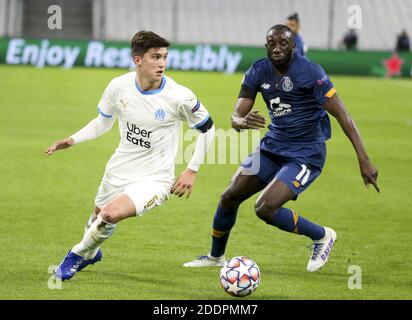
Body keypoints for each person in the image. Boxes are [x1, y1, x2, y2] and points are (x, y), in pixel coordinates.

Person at [184, 25, 379, 272]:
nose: (277, 48)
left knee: (265, 208)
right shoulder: (258, 71)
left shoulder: (311, 73)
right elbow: (237, 116)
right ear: (266, 46)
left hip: (306, 153)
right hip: (272, 146)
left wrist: (364, 159)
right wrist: (240, 122)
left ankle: (322, 235)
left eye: (283, 43)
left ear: (293, 46)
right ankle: (215, 257)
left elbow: (344, 116)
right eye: (272, 43)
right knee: (229, 197)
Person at [46, 31, 215, 281]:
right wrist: (73, 139)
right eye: (155, 57)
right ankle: (92, 253)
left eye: (165, 57)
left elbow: (208, 129)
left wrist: (192, 169)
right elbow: (103, 122)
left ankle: (76, 254)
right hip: (119, 169)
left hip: (155, 179)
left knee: (109, 215)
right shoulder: (118, 86)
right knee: (96, 219)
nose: (162, 64)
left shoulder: (180, 96)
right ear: (138, 60)